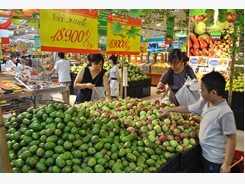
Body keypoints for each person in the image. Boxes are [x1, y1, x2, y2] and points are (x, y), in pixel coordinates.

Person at [159, 71, 237, 173]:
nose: (200, 93)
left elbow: (231, 138)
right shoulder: (205, 103)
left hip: (214, 159)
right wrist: (169, 109)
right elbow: (189, 108)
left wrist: (226, 164)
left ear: (213, 93)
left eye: (202, 90)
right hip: (204, 152)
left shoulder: (225, 113)